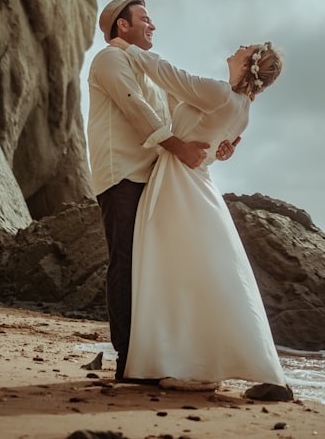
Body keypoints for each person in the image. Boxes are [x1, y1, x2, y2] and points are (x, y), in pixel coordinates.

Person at [108, 34, 292, 400]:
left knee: (176, 271)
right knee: (200, 273)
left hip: (180, 184)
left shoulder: (220, 94)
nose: (238, 45)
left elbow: (167, 74)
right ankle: (199, 360)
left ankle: (190, 365)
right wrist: (223, 151)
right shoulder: (242, 109)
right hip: (197, 184)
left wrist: (125, 47)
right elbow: (220, 142)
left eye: (246, 46)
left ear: (248, 62)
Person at [88, 0, 214, 381]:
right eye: (144, 18)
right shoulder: (110, 59)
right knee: (125, 262)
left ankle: (153, 354)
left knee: (152, 266)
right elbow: (134, 107)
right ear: (121, 26)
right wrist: (180, 149)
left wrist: (217, 141)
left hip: (155, 176)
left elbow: (177, 116)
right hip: (122, 174)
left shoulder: (148, 68)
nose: (152, 25)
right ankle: (128, 359)